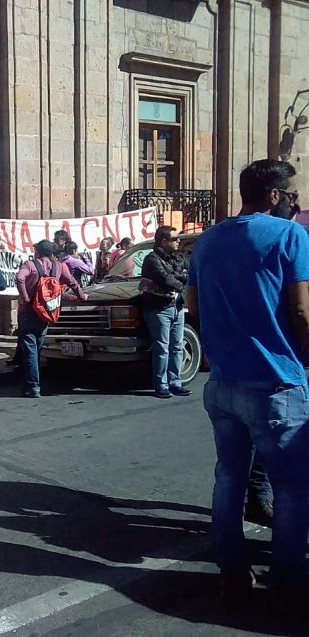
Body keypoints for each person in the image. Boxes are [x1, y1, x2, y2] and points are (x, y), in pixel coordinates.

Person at [186, 158, 309, 601]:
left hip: (222, 384)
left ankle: (232, 570)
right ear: (274, 195)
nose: (295, 203)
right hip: (276, 382)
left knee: (228, 479)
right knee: (293, 488)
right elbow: (300, 309)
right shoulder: (291, 236)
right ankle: (290, 573)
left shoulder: (207, 241)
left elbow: (195, 308)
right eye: (292, 195)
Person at [16, 240, 88, 397]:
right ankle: (31, 384)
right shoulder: (60, 267)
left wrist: (26, 298)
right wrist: (82, 297)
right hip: (46, 313)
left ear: (38, 252)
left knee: (29, 350)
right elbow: (73, 283)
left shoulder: (30, 265)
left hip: (28, 313)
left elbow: (20, 279)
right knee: (37, 348)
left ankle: (33, 387)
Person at [140, 226, 190, 399]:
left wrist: (179, 276)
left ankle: (175, 382)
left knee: (177, 346)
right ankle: (161, 385)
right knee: (162, 348)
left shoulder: (177, 257)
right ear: (163, 241)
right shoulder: (152, 259)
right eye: (175, 239)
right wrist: (180, 280)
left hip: (177, 306)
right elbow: (166, 279)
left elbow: (185, 272)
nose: (178, 241)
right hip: (159, 308)